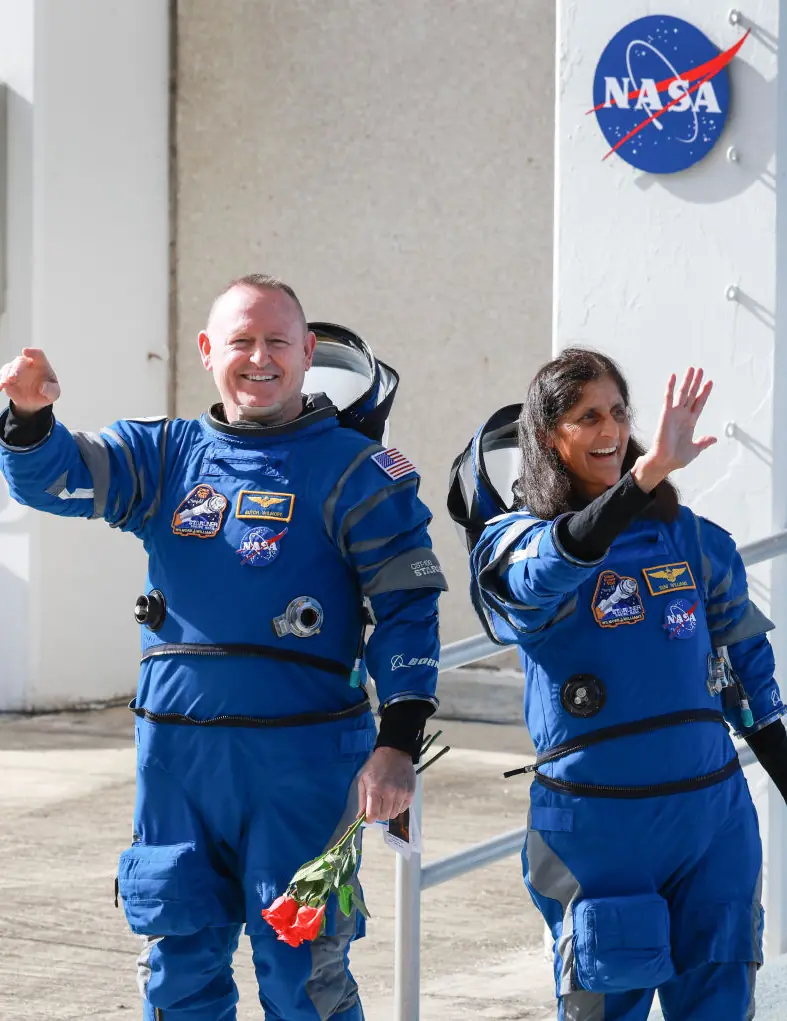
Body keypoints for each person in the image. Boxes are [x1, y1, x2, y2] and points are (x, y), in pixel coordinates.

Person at [0, 274, 447, 1021]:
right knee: (178, 975)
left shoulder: (356, 471)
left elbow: (407, 608)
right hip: (178, 776)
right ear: (208, 351)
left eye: (277, 340)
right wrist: (27, 416)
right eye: (240, 340)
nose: (259, 357)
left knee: (303, 976)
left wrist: (397, 741)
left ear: (308, 353)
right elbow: (55, 477)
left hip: (304, 781)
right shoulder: (163, 457)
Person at [447, 348, 787, 1021]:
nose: (609, 428)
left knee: (720, 1004)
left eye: (617, 412)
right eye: (586, 416)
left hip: (710, 824)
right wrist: (642, 478)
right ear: (548, 437)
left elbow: (749, 680)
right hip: (598, 835)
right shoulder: (513, 540)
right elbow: (546, 571)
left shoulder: (688, 539)